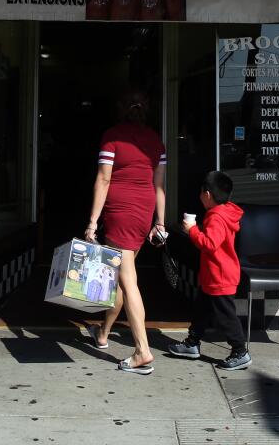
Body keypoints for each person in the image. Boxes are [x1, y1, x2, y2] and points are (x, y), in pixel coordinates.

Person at [83, 88, 167, 375]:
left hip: (120, 214)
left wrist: (92, 222)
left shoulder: (113, 136)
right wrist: (160, 222)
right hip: (143, 213)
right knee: (122, 277)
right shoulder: (156, 140)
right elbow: (159, 187)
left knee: (128, 281)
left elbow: (104, 179)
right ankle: (104, 334)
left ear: (122, 108)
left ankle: (142, 351)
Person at [168, 170, 251, 370]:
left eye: (200, 193)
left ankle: (240, 352)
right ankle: (192, 343)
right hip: (215, 275)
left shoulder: (216, 217)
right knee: (202, 310)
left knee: (226, 316)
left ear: (207, 195)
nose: (199, 197)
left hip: (219, 277)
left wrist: (192, 230)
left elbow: (210, 243)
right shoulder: (225, 213)